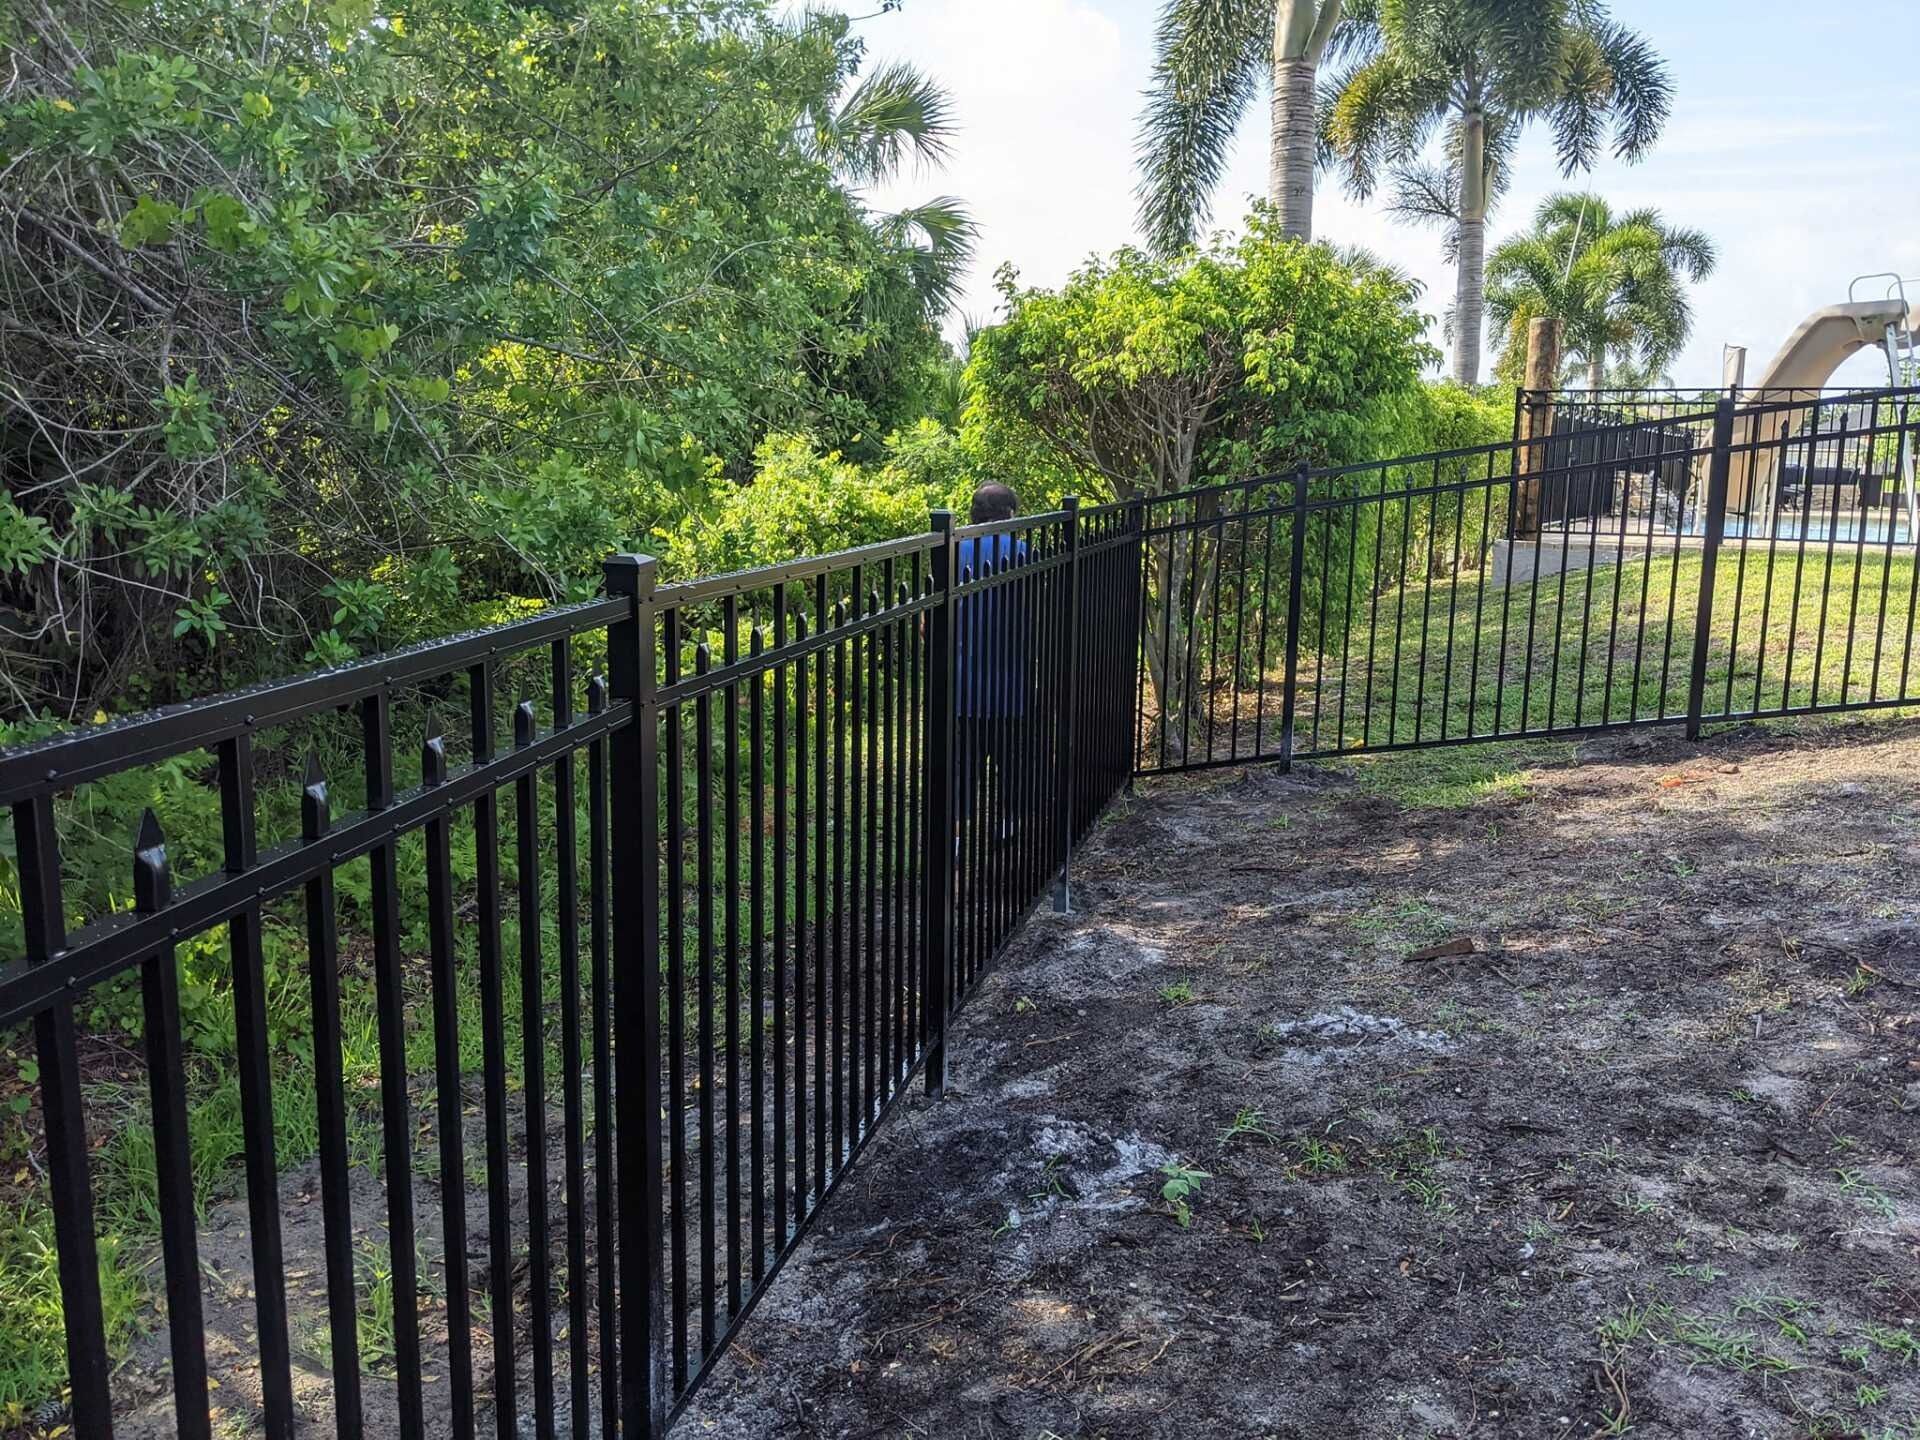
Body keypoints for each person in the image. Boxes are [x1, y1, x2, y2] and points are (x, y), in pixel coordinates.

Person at [954, 483, 1026, 840]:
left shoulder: (953, 552)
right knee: (1010, 762)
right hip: (1011, 684)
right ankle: (1008, 826)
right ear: (1009, 514)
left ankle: (953, 838)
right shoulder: (1024, 552)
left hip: (962, 686)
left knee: (960, 769)